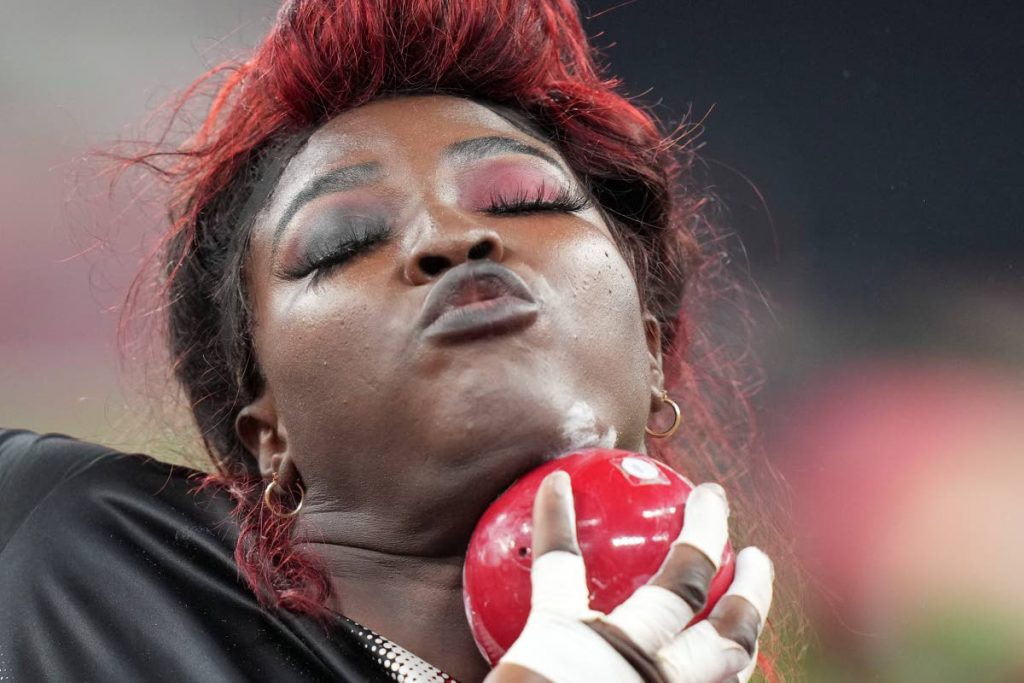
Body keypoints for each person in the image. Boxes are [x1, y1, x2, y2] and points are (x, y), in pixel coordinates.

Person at [0, 1, 784, 681]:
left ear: (651, 352)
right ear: (266, 432)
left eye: (523, 201)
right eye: (344, 241)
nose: (452, 237)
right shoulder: (69, 552)